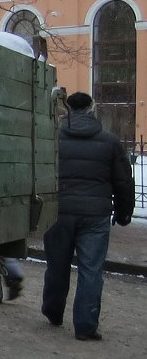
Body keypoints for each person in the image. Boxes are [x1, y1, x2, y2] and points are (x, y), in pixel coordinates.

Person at [42, 91, 134, 341]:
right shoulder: (110, 141)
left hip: (59, 212)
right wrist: (124, 213)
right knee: (91, 270)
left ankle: (53, 312)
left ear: (67, 110)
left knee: (57, 265)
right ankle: (85, 326)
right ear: (92, 109)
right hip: (95, 216)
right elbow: (124, 181)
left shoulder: (52, 138)